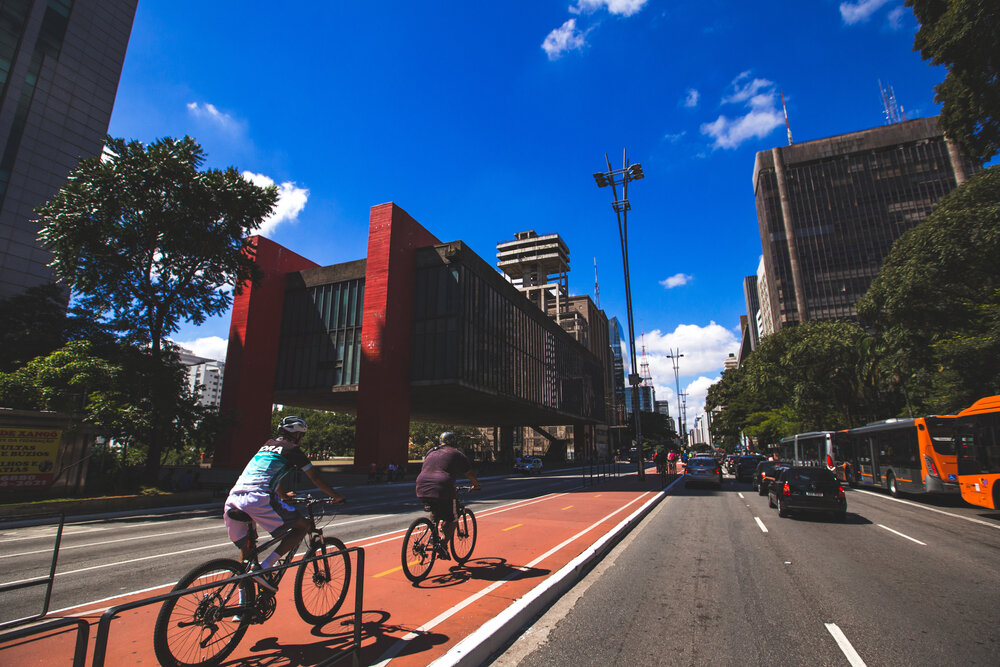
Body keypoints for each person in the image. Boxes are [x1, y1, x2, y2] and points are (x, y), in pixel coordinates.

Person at [223, 416, 346, 589]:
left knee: (247, 556)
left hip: (234, 498)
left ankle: (242, 609)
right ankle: (265, 568)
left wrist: (282, 494)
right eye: (301, 435)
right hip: (259, 497)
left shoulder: (266, 446)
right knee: (302, 527)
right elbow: (315, 478)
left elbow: (267, 473)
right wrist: (336, 496)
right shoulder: (292, 450)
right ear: (297, 435)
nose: (301, 439)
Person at [415, 432, 481, 560]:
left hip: (421, 484)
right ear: (454, 442)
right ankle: (443, 545)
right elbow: (469, 473)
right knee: (453, 518)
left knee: (435, 508)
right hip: (442, 486)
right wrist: (476, 485)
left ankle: (434, 531)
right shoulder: (456, 453)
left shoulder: (431, 451)